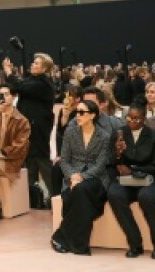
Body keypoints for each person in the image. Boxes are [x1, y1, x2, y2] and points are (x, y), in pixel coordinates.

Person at [51, 100, 115, 255]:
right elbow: (64, 159)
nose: (77, 116)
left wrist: (81, 177)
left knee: (81, 190)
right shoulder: (70, 132)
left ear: (92, 115)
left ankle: (61, 236)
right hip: (72, 177)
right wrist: (73, 175)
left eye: (82, 112)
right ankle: (78, 244)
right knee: (81, 195)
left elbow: (100, 166)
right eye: (76, 112)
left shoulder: (104, 136)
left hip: (96, 179)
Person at [107, 102, 155, 259]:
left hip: (150, 180)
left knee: (147, 197)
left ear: (144, 119)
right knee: (114, 193)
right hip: (126, 181)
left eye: (137, 118)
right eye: (129, 118)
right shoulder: (118, 133)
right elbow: (110, 160)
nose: (132, 121)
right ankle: (135, 243)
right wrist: (118, 154)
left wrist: (133, 170)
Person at [0, 82, 30, 224]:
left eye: (7, 94)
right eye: (1, 94)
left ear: (13, 97)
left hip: (11, 162)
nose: (3, 97)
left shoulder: (21, 120)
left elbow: (19, 147)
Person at [15, 52, 57, 207]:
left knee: (41, 159)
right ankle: (32, 199)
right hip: (28, 127)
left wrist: (9, 74)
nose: (33, 64)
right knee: (30, 160)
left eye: (37, 63)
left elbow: (19, 87)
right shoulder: (33, 80)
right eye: (33, 62)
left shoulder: (43, 84)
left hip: (38, 127)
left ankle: (56, 196)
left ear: (45, 68)